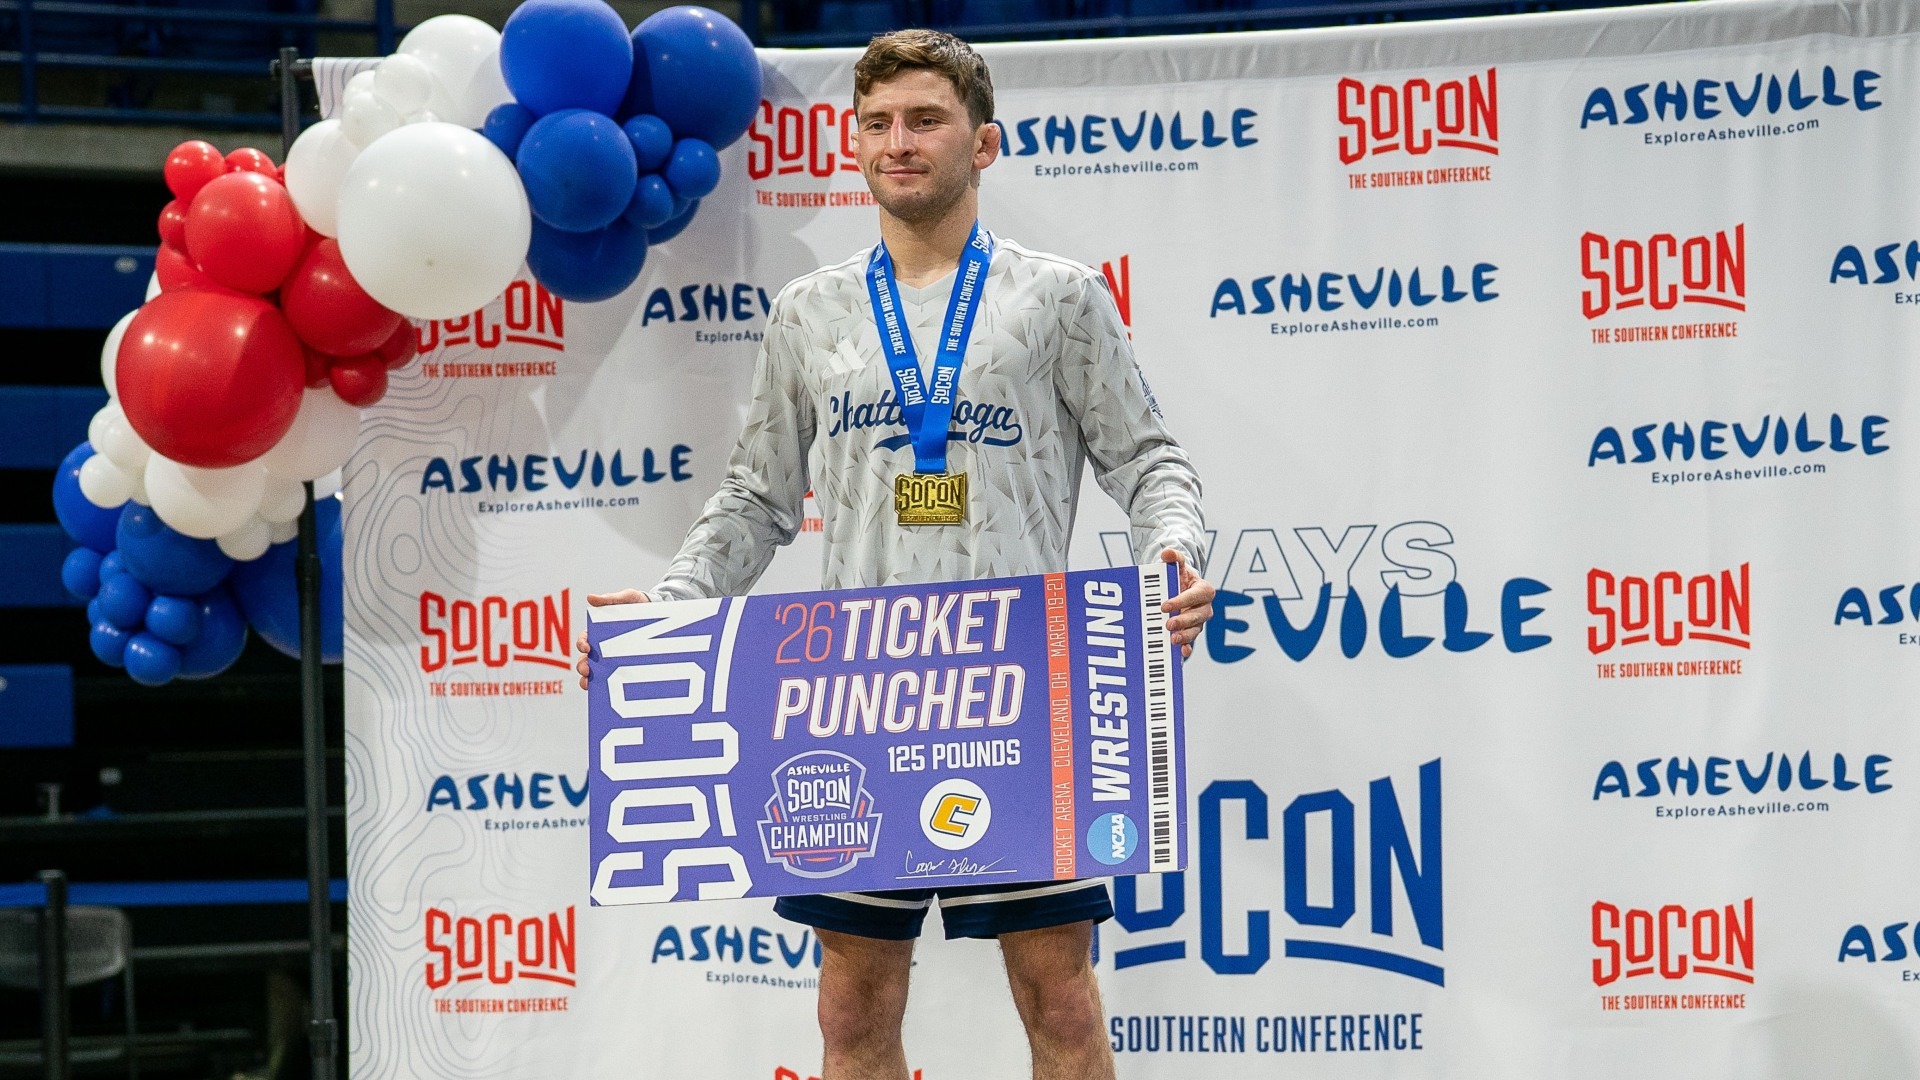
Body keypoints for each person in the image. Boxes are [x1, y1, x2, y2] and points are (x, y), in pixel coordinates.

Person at [574, 29, 1214, 1080]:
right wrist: (674, 604)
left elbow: (1147, 460)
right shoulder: (809, 312)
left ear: (985, 143)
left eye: (925, 120)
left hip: (1026, 693)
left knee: (1058, 995)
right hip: (858, 697)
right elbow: (755, 497)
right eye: (876, 123)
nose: (897, 143)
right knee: (852, 1010)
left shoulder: (1056, 297)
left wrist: (1174, 557)